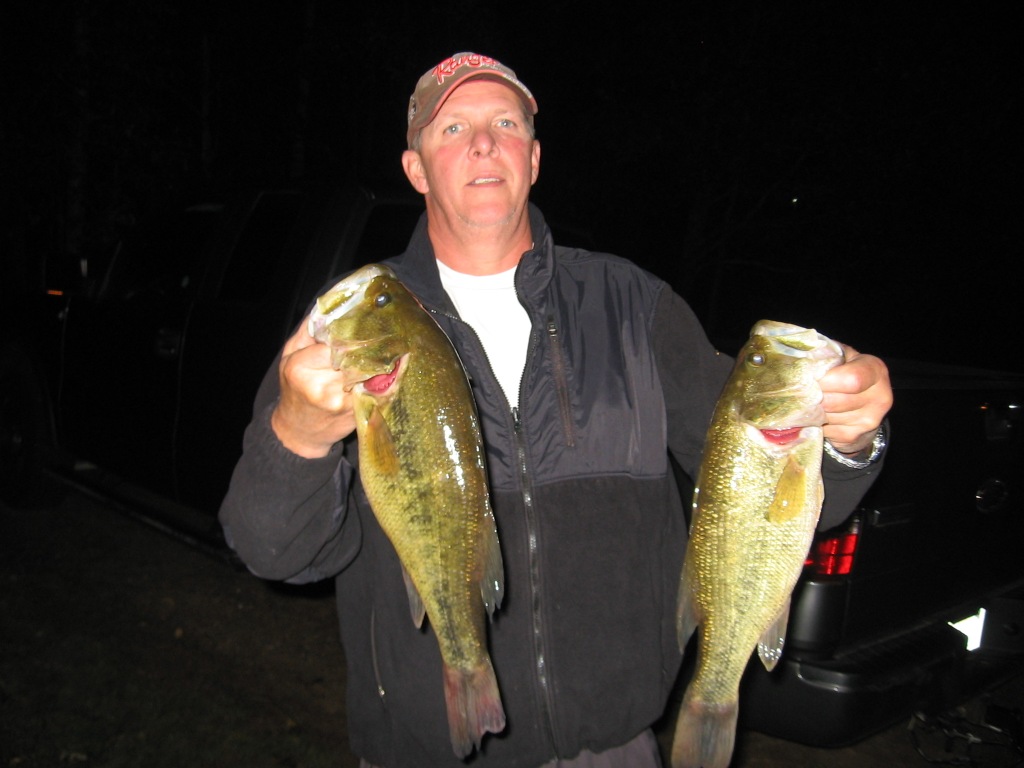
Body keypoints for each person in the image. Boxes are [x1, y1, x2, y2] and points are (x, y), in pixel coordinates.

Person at [218, 52, 893, 768]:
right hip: (422, 750)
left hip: (615, 746)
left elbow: (764, 487)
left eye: (504, 123)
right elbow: (273, 552)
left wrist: (850, 438)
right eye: (452, 129)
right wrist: (297, 436)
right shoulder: (355, 325)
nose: (483, 142)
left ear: (533, 158)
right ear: (415, 168)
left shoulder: (636, 306)